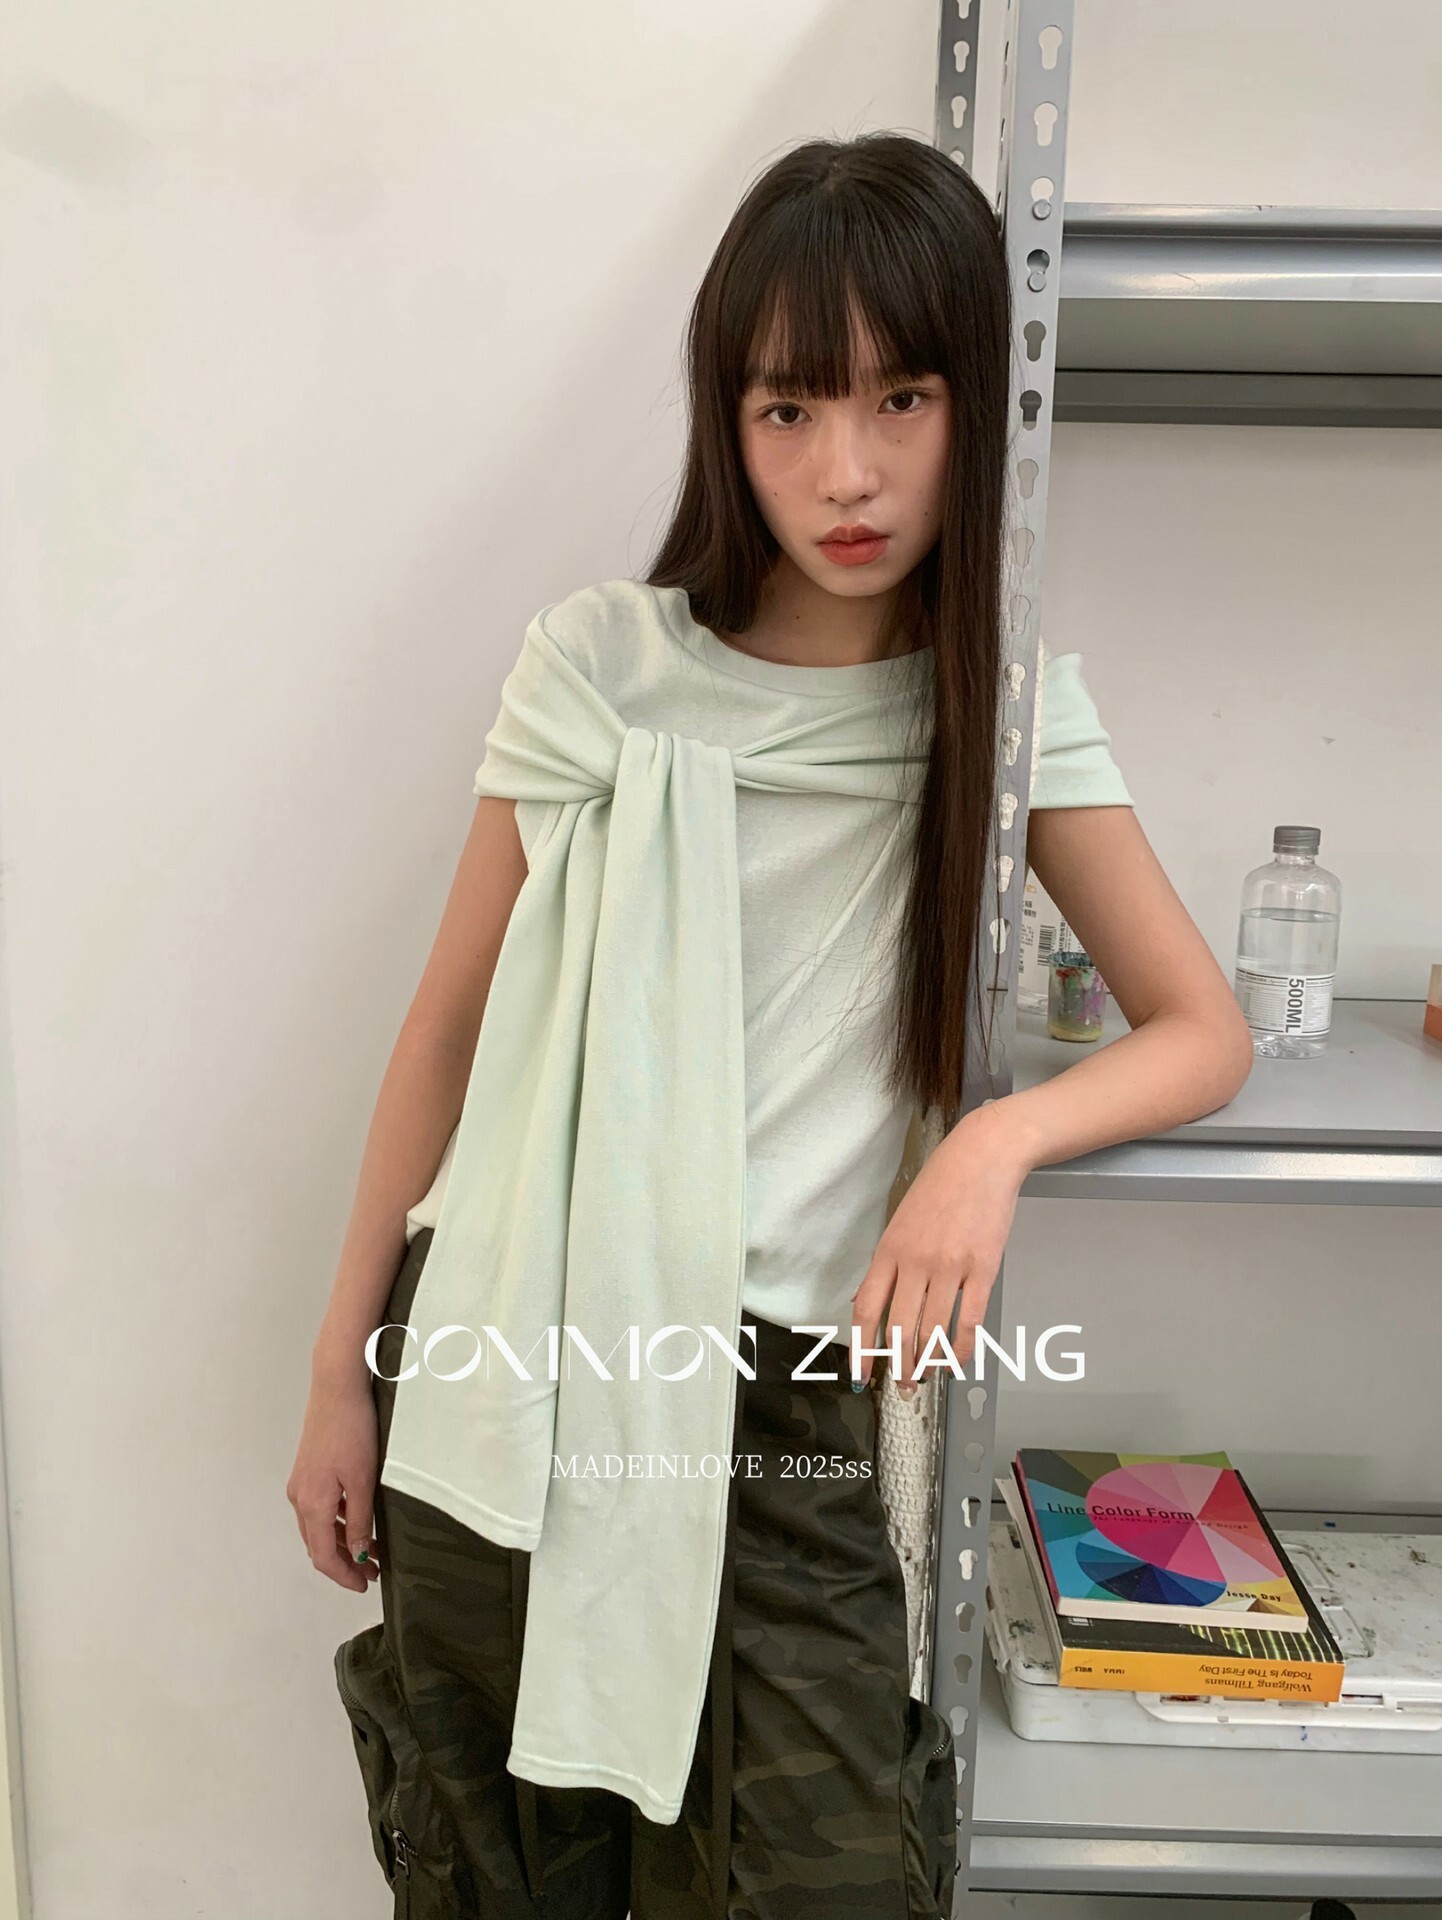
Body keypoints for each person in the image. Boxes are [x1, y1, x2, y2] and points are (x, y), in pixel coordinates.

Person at [288, 131, 1254, 1919]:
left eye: (901, 399)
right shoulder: (601, 668)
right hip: (509, 1366)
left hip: (784, 1396)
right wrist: (340, 1372)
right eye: (787, 409)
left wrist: (992, 1141)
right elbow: (443, 1040)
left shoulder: (1003, 712)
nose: (846, 471)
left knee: (818, 1878)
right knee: (507, 1876)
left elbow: (1199, 1027)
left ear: (974, 405)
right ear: (725, 422)